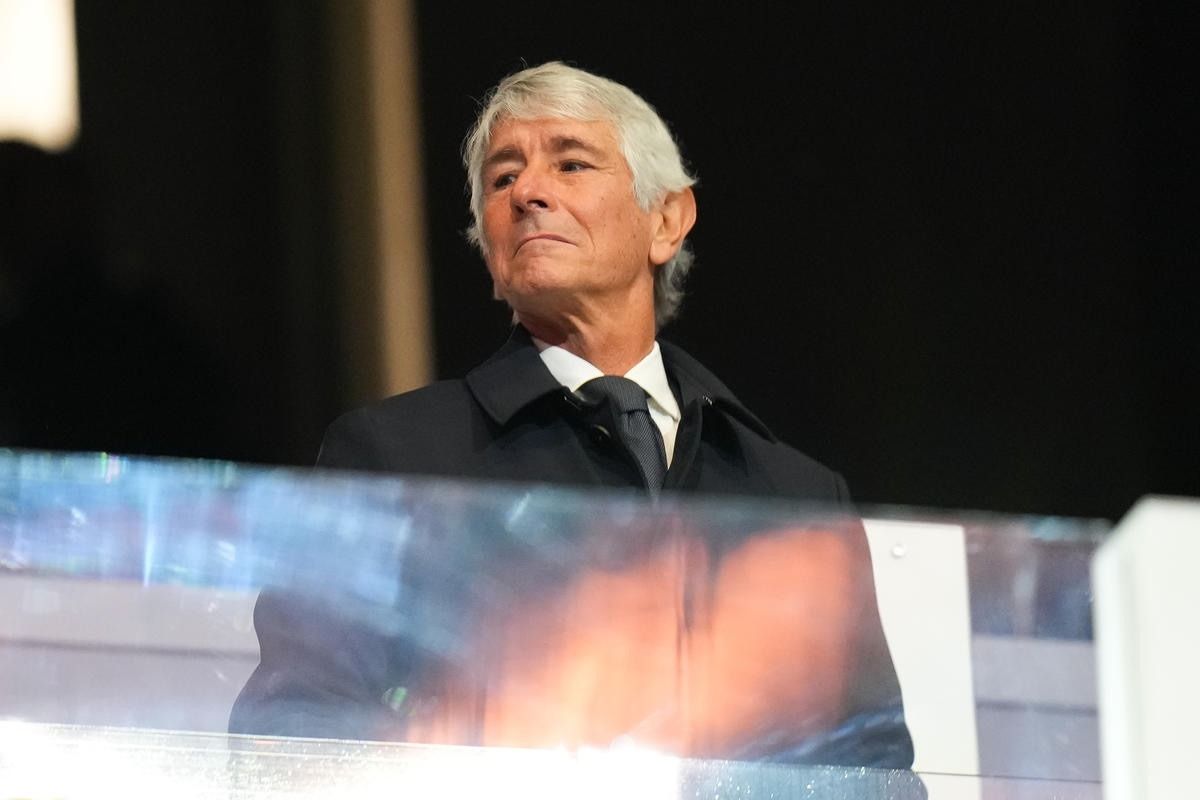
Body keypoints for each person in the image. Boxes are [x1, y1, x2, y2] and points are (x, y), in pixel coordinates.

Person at [231, 62, 914, 770]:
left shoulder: (796, 496)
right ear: (489, 248)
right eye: (502, 178)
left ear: (666, 221)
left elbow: (876, 769)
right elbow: (294, 728)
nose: (527, 192)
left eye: (571, 163)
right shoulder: (395, 456)